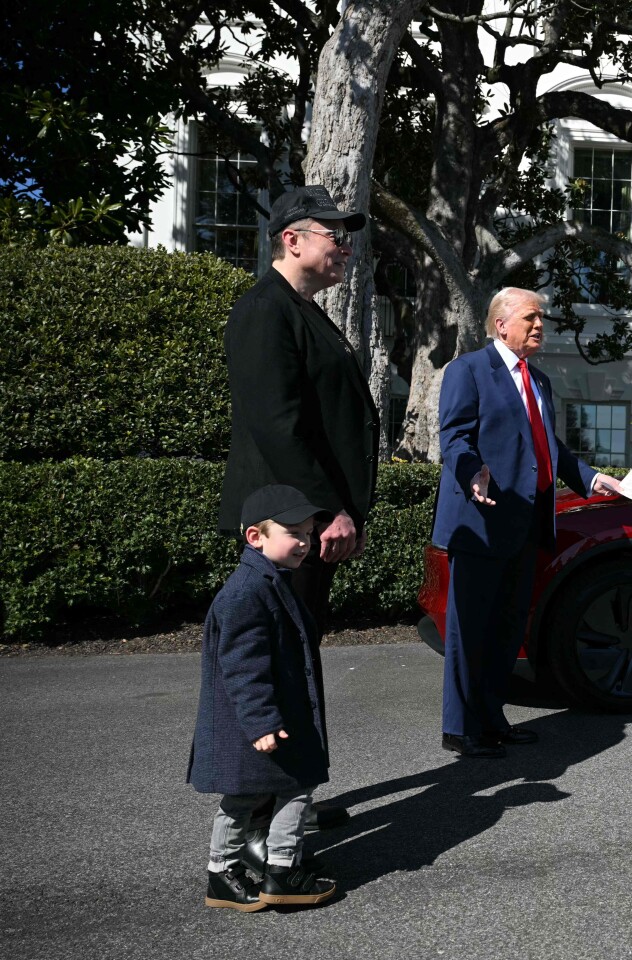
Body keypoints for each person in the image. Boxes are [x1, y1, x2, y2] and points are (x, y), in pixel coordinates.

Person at [219, 184, 379, 830]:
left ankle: (288, 803)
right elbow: (278, 427)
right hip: (288, 528)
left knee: (295, 664)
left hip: (303, 525)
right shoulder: (265, 311)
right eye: (335, 236)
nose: (346, 248)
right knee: (277, 669)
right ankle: (260, 823)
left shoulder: (303, 310)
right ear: (292, 239)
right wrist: (327, 511)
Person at [431, 287, 624, 758]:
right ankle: (460, 728)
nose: (540, 325)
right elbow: (454, 436)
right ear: (501, 325)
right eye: (530, 318)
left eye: (542, 318)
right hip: (481, 522)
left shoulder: (538, 380)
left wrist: (592, 478)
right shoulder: (468, 370)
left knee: (506, 629)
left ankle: (491, 720)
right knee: (469, 631)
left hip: (526, 526)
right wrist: (472, 472)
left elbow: (549, 448)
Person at [189, 484, 338, 911]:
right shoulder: (245, 592)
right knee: (254, 795)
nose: (305, 542)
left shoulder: (271, 580)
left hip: (273, 720)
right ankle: (244, 872)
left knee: (280, 789)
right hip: (256, 725)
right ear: (256, 536)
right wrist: (261, 722)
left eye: (308, 533)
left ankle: (271, 869)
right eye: (294, 533)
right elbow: (243, 666)